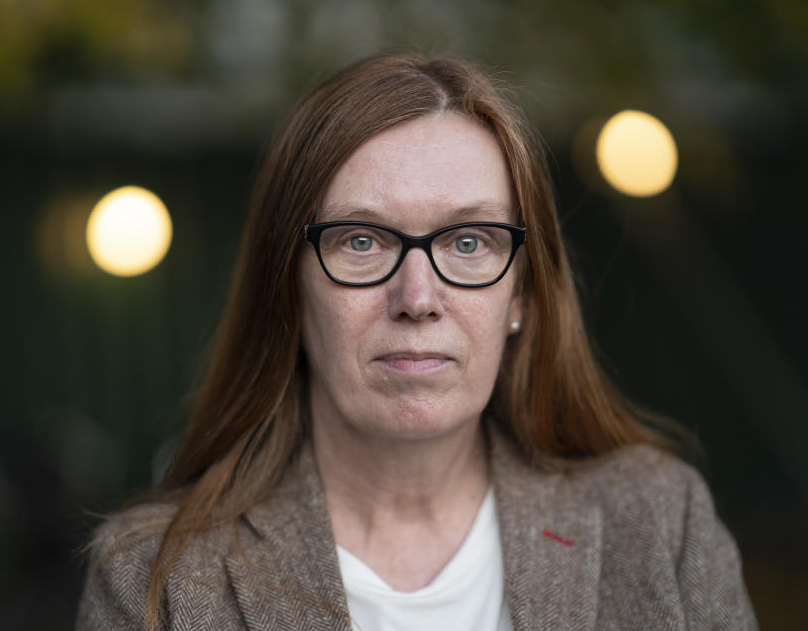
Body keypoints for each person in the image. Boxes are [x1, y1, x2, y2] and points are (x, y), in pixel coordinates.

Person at [76, 51, 757, 630]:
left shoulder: (661, 522)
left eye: (468, 241)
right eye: (362, 241)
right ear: (288, 289)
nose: (418, 299)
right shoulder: (155, 580)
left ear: (520, 293)